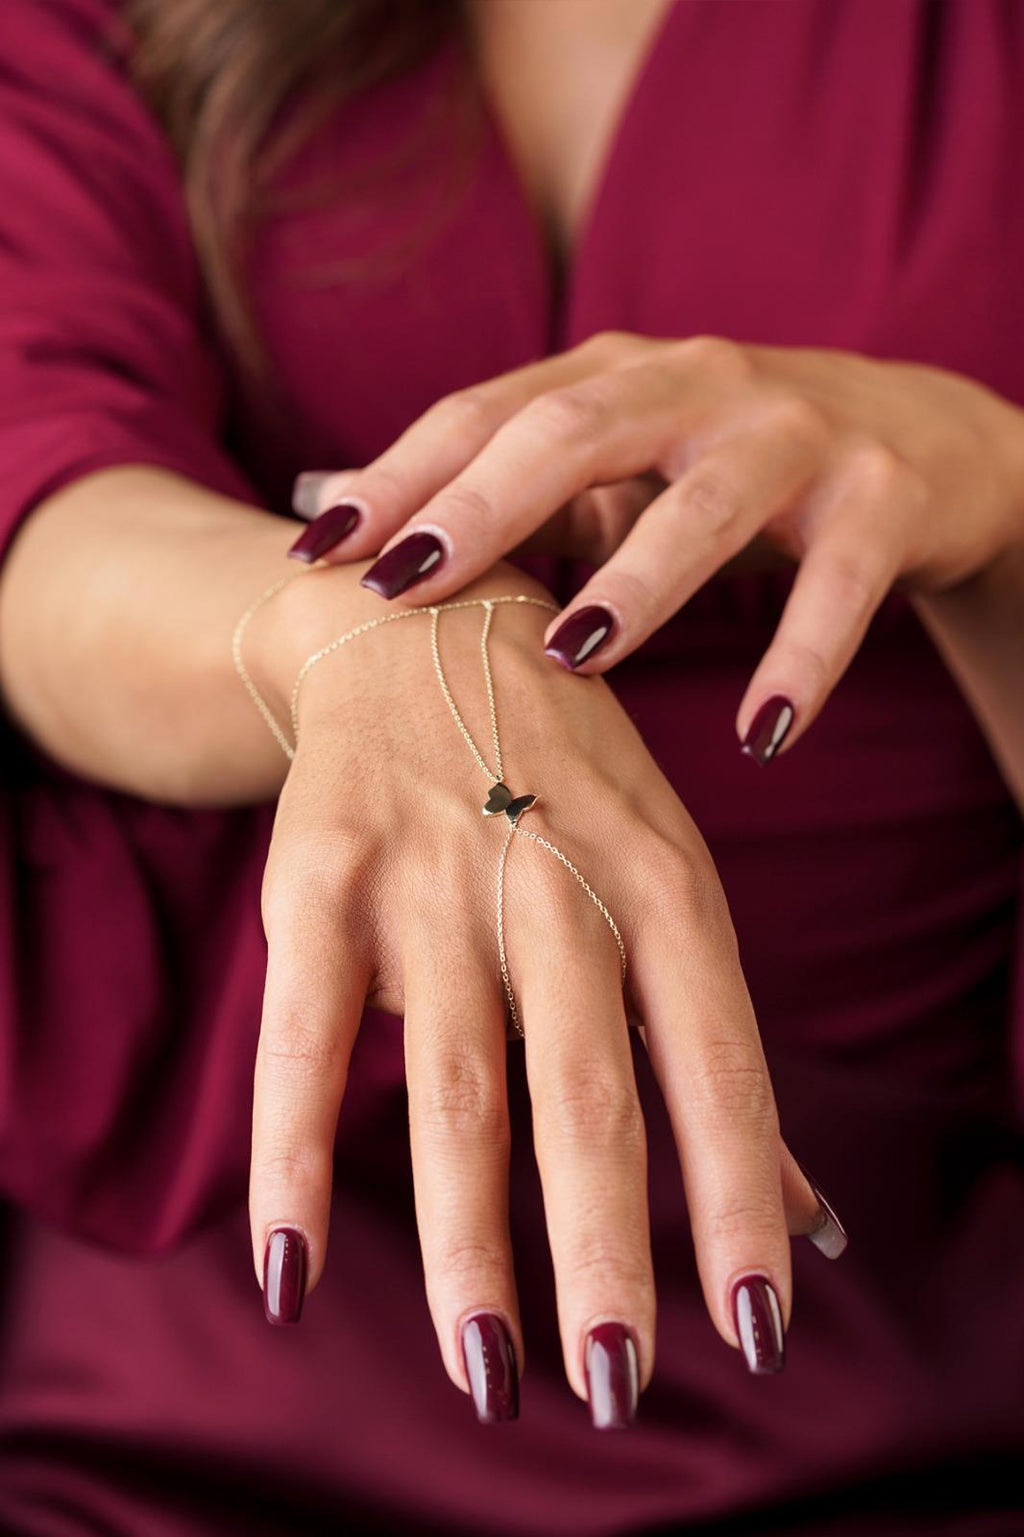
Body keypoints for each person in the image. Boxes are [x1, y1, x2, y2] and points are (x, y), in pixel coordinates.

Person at [0, 0, 1022, 1532]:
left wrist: (1001, 500)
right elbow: (42, 490)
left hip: (898, 1373)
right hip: (201, 1387)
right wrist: (360, 634)